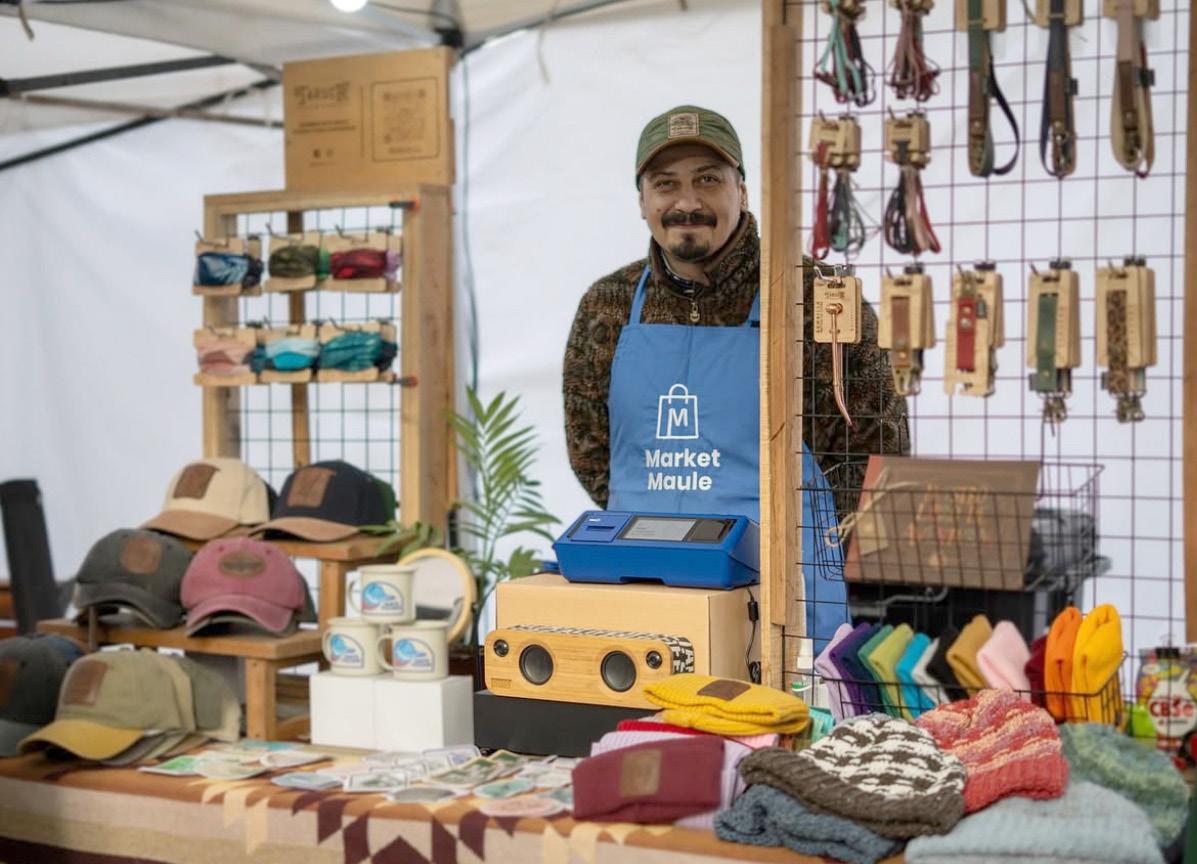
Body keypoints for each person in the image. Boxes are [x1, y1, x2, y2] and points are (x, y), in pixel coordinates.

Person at [561, 105, 910, 650]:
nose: (687, 203)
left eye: (708, 180)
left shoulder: (812, 294)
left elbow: (877, 446)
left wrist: (816, 556)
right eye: (665, 184)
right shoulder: (607, 305)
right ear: (642, 202)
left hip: (784, 604)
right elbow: (589, 449)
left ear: (741, 191)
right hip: (649, 591)